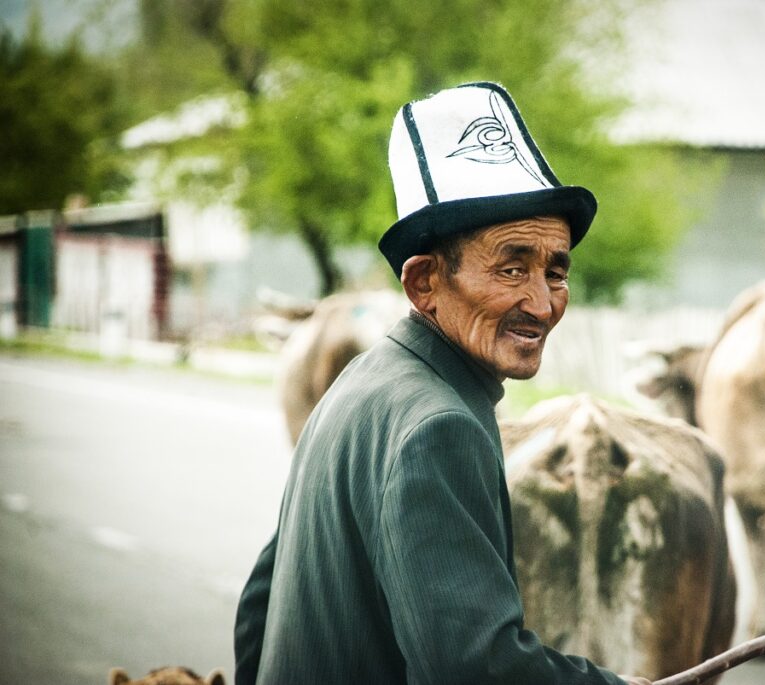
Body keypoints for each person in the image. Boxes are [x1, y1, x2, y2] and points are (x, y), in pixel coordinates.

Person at [234, 82, 651, 685]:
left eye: (555, 272)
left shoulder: (362, 384)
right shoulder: (439, 426)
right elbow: (474, 667)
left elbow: (258, 609)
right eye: (511, 268)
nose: (542, 303)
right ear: (424, 283)